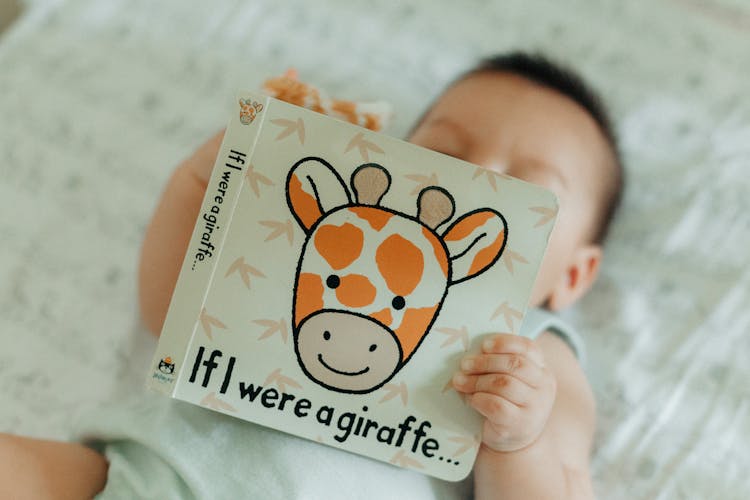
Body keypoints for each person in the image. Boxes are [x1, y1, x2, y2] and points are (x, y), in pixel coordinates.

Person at [0, 51, 623, 499]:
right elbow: (171, 311)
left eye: (526, 188)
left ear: (574, 275)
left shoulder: (538, 354)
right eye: (443, 154)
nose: (473, 180)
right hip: (146, 474)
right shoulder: (314, 237)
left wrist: (521, 439)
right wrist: (212, 174)